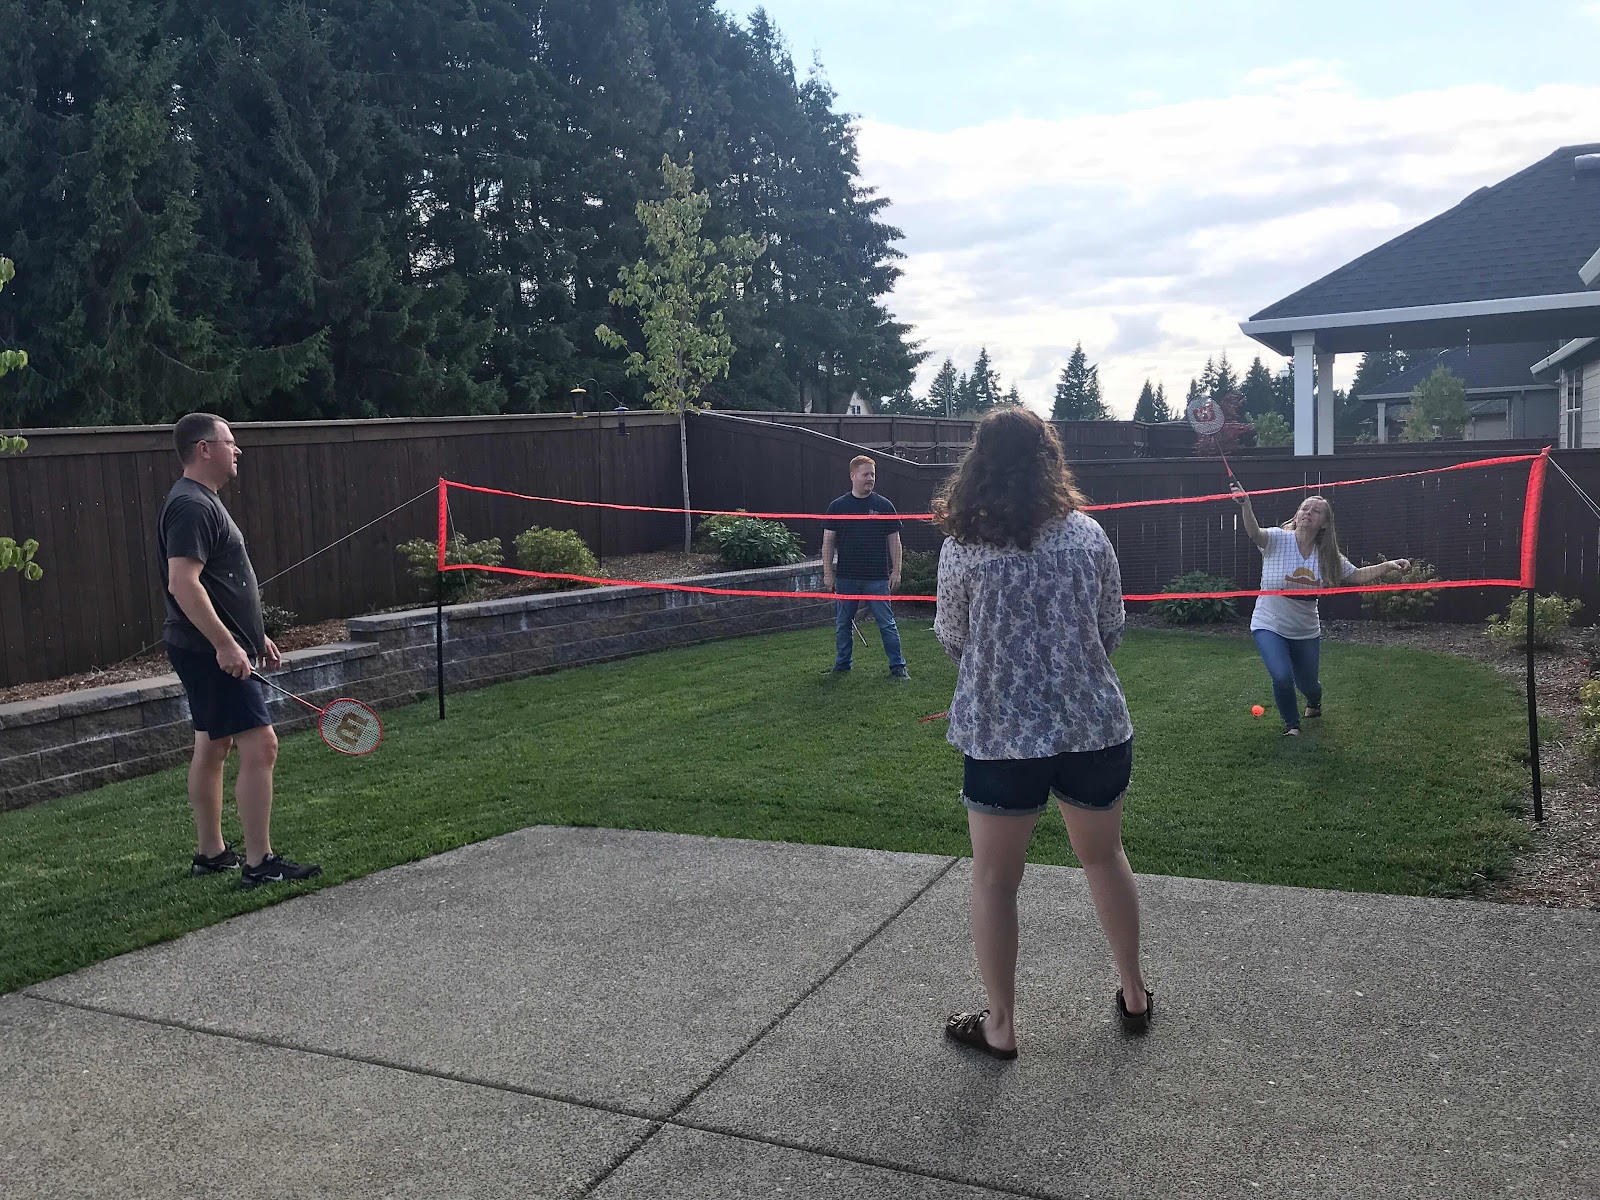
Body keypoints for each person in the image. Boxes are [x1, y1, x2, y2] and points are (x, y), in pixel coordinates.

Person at [934, 408, 1148, 1059]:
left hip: (1001, 737)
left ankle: (1000, 1026)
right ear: (1049, 459)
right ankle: (1134, 995)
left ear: (979, 462)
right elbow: (1111, 628)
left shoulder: (964, 545)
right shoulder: (1088, 536)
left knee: (996, 882)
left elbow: (953, 638)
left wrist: (1000, 666)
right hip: (1094, 727)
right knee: (1105, 858)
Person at [159, 413, 321, 888]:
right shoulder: (191, 505)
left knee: (214, 744)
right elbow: (183, 583)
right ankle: (259, 863)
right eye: (230, 442)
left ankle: (212, 854)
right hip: (207, 651)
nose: (237, 450)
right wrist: (226, 644)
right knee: (262, 745)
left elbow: (220, 582)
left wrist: (253, 635)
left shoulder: (200, 500)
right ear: (203, 448)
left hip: (207, 647)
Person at [1231, 484, 1410, 736]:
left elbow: (1357, 575)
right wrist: (1246, 505)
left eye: (1315, 511)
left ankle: (1314, 702)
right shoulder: (1277, 539)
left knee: (1309, 685)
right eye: (1305, 508)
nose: (1308, 513)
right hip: (1268, 623)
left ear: (1324, 523)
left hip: (1305, 630)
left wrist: (1388, 565)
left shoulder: (1327, 555)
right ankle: (1292, 725)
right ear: (1296, 515)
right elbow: (1254, 533)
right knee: (1282, 677)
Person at [821, 455, 909, 679]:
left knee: (887, 624)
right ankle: (843, 664)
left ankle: (898, 666)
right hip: (846, 578)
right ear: (853, 476)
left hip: (877, 578)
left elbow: (894, 541)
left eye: (873, 474)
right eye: (866, 474)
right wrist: (828, 573)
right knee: (843, 625)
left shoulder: (884, 506)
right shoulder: (837, 507)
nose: (870, 478)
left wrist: (896, 570)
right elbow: (828, 542)